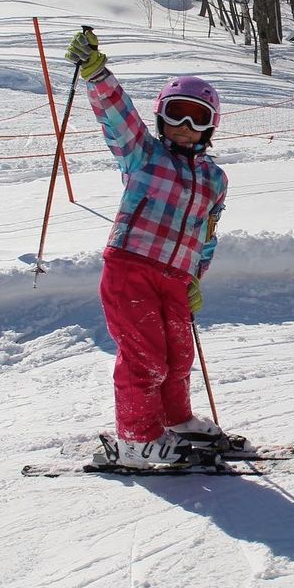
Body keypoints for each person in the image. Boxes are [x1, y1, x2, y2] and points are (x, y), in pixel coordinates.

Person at [65, 28, 230, 468]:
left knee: (178, 356)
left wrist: (196, 276)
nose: (187, 127)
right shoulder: (143, 155)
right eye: (178, 115)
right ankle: (136, 438)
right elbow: (118, 118)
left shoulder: (214, 180)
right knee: (146, 357)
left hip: (176, 278)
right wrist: (98, 74)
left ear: (211, 125)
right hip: (131, 268)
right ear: (162, 118)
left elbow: (206, 234)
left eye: (198, 118)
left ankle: (174, 420)